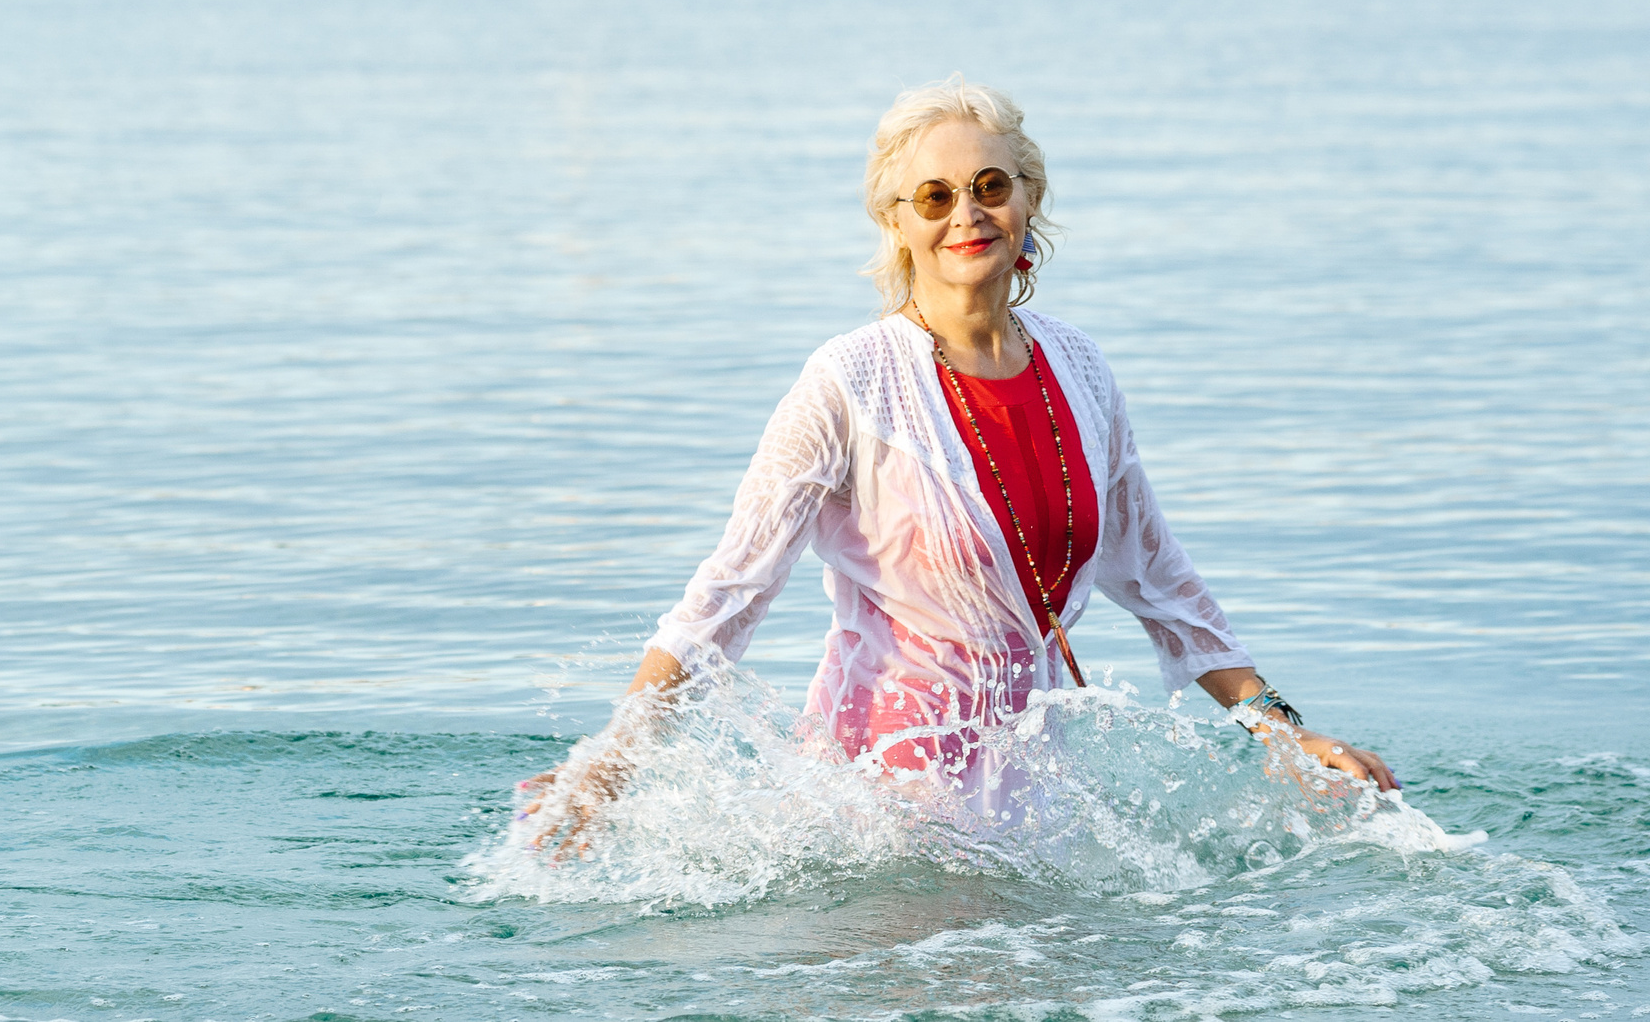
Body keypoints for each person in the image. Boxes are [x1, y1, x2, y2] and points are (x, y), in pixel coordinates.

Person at [523, 79, 1392, 848]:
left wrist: (1283, 733)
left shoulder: (1081, 368)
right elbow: (729, 590)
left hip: (1035, 798)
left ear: (1028, 200)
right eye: (933, 196)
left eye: (989, 186)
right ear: (896, 220)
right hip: (879, 811)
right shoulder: (850, 380)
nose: (965, 214)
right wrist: (610, 761)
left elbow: (1163, 580)